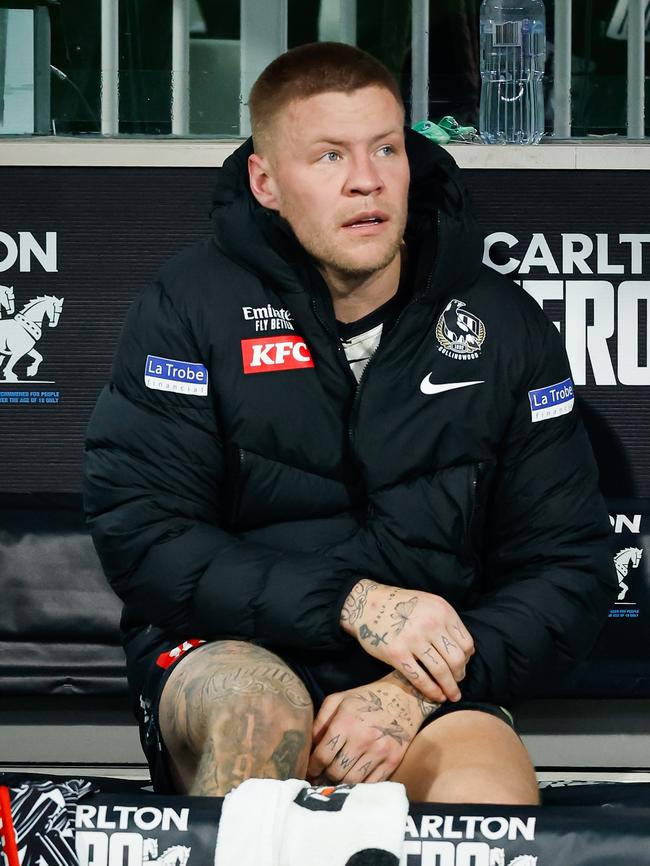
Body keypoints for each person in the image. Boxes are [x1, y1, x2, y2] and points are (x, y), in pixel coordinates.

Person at [84, 42, 616, 804]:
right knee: (260, 717)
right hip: (231, 652)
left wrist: (408, 693)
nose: (366, 180)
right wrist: (355, 602)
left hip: (428, 681)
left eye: (387, 149)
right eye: (329, 155)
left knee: (486, 790)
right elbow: (147, 538)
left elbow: (569, 568)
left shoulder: (502, 326)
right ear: (266, 181)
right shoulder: (186, 310)